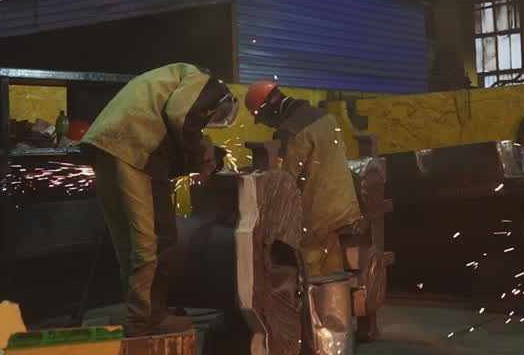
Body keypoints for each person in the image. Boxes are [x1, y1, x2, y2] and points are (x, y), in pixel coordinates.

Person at [83, 63, 237, 337]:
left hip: (105, 146)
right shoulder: (207, 84)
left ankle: (142, 310)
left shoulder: (167, 81)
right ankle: (148, 318)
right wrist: (198, 157)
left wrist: (192, 159)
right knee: (156, 237)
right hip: (136, 146)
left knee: (129, 240)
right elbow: (183, 116)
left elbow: (174, 126)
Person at [245, 81, 361, 276]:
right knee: (332, 266)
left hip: (316, 214)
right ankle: (336, 304)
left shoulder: (290, 131)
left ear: (268, 108)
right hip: (343, 205)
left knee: (311, 270)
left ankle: (314, 305)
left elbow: (285, 179)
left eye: (260, 117)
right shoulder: (323, 116)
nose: (265, 123)